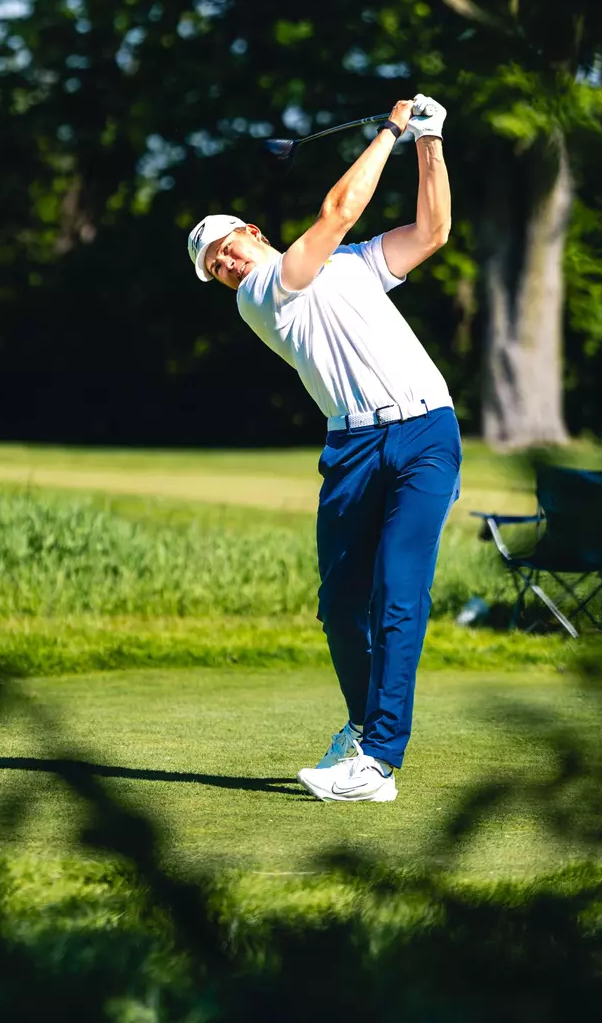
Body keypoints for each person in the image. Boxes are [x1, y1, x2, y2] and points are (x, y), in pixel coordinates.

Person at [187, 95, 461, 802]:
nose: (226, 265)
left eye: (227, 249)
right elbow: (337, 211)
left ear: (251, 231)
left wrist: (429, 141)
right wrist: (391, 130)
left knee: (399, 593)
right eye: (216, 267)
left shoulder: (356, 266)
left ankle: (376, 761)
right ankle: (363, 728)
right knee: (341, 604)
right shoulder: (264, 297)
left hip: (428, 432)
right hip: (352, 446)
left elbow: (432, 233)